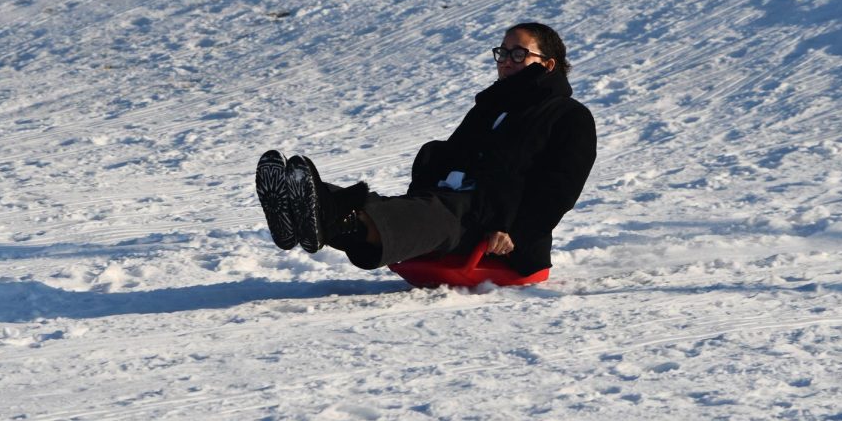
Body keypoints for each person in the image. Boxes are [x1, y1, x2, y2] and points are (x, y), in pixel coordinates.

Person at [255, 22, 596, 276]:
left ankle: (320, 212)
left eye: (518, 53)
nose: (506, 60)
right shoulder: (490, 107)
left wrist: (515, 233)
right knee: (410, 208)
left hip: (496, 229)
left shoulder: (568, 116)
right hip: (449, 203)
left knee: (435, 213)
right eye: (503, 52)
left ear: (548, 64)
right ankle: (311, 204)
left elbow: (559, 191)